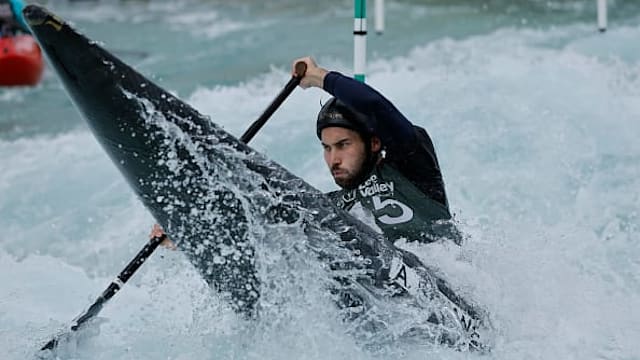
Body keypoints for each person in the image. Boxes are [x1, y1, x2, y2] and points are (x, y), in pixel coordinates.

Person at [293, 56, 461, 244]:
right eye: (327, 148)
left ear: (373, 143)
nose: (334, 159)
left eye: (343, 145)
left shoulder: (413, 165)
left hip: (446, 269)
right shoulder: (333, 207)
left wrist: (318, 76)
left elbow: (374, 105)